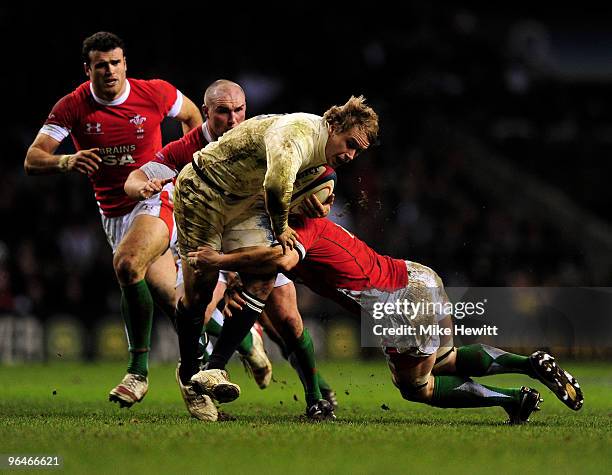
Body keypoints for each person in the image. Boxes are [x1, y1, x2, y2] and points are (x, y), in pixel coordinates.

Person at [188, 214, 584, 423]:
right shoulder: (318, 226)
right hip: (418, 275)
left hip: (399, 306)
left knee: (416, 387)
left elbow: (281, 260)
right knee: (446, 358)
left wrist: (220, 262)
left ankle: (511, 400)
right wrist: (240, 275)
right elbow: (274, 267)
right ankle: (528, 365)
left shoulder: (298, 232)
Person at [126, 81, 340, 420]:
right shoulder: (190, 148)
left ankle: (317, 394)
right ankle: (201, 380)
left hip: (248, 234)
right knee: (200, 304)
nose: (233, 118)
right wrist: (142, 186)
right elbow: (138, 175)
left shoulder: (263, 139)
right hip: (205, 234)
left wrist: (318, 205)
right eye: (223, 111)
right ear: (206, 112)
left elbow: (302, 181)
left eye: (239, 110)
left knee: (285, 314)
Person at [24, 31, 202, 409]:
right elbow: (32, 159)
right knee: (173, 300)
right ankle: (236, 346)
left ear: (125, 64)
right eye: (100, 65)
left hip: (155, 199)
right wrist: (65, 161)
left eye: (115, 63)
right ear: (87, 69)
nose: (109, 71)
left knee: (126, 263)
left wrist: (188, 172)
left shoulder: (154, 93)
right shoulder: (73, 106)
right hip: (115, 215)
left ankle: (138, 371)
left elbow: (192, 116)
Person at [173, 97, 379, 418]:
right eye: (349, 144)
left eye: (358, 151)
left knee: (266, 276)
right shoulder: (298, 132)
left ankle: (213, 370)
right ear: (333, 126)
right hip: (204, 189)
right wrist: (282, 226)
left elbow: (300, 190)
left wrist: (311, 205)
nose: (350, 155)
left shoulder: (321, 165)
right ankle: (188, 374)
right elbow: (275, 184)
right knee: (201, 290)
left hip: (244, 205)